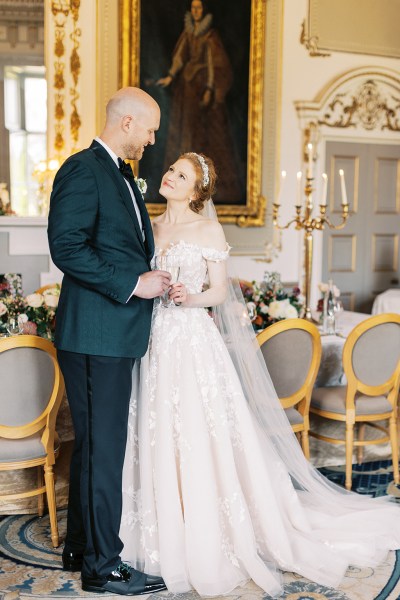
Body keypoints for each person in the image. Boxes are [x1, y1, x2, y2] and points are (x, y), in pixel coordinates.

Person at [120, 152, 400, 597]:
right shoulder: (148, 226)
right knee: (156, 430)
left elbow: (218, 291)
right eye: (171, 170)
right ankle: (162, 524)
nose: (170, 177)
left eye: (181, 175)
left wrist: (187, 295)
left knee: (196, 430)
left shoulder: (208, 229)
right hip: (152, 342)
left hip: (192, 342)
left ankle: (210, 530)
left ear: (196, 192)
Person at [47, 87, 170, 595]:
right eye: (150, 127)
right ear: (126, 123)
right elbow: (66, 246)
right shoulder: (84, 169)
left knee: (96, 444)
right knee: (106, 448)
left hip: (108, 333)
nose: (152, 137)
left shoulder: (120, 175)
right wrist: (134, 284)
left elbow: (121, 245)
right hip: (97, 332)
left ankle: (80, 546)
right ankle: (103, 567)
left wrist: (150, 275)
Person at [156, 0, 243, 203]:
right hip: (187, 91)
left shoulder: (210, 36)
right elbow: (179, 56)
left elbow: (215, 63)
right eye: (193, 8)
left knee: (207, 133)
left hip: (202, 87)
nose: (195, 11)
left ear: (205, 11)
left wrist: (210, 89)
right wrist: (170, 76)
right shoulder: (188, 34)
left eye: (199, 8)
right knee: (185, 130)